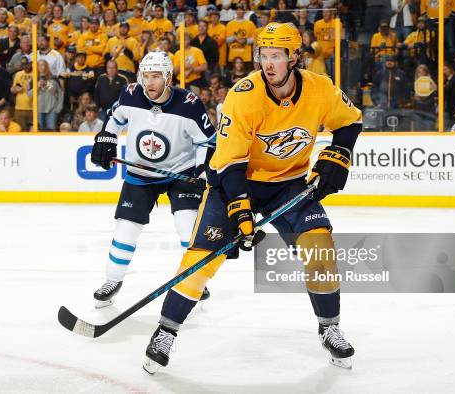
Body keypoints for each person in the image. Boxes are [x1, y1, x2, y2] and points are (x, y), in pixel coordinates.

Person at [142, 22, 361, 374]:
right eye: (264, 55)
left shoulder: (321, 89)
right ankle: (166, 330)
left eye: (276, 55)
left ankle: (329, 326)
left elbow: (350, 123)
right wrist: (241, 211)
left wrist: (338, 154)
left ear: (294, 57)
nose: (268, 63)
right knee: (200, 263)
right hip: (233, 183)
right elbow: (230, 163)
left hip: (288, 185)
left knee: (320, 250)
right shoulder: (243, 95)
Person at [90, 51, 216, 308]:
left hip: (181, 174)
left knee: (187, 227)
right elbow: (115, 119)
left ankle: (196, 281)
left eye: (156, 76)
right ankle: (112, 280)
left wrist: (202, 170)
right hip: (141, 172)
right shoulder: (130, 94)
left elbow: (207, 141)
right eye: (146, 76)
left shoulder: (189, 104)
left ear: (168, 77)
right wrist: (106, 136)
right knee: (126, 229)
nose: (150, 82)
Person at [28, 59, 63, 131]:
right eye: (39, 65)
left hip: (52, 110)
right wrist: (37, 86)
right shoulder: (33, 79)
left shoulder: (54, 78)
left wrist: (59, 108)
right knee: (39, 132)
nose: (40, 67)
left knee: (51, 132)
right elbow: (29, 95)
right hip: (38, 110)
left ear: (46, 66)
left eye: (42, 65)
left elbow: (60, 93)